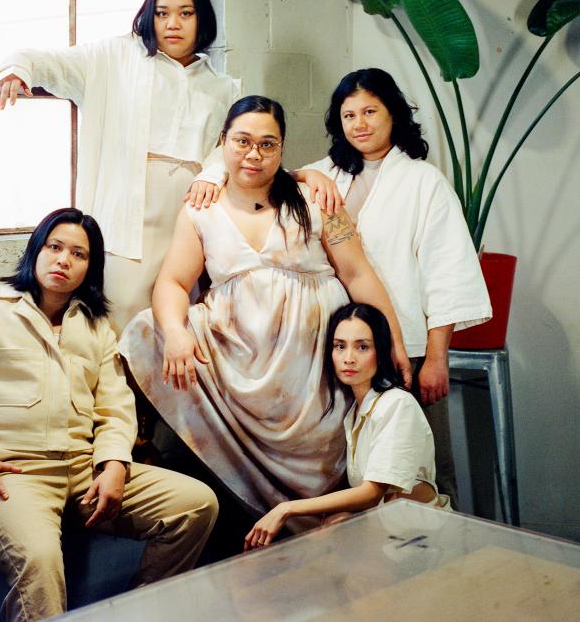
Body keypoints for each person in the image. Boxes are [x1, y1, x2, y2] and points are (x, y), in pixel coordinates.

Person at [118, 96, 410, 518]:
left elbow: (358, 274)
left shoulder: (315, 198)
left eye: (267, 144)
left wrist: (394, 341)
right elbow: (173, 282)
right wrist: (177, 333)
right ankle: (146, 453)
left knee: (332, 487)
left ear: (281, 148)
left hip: (312, 367)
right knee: (146, 330)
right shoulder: (201, 209)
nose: (253, 154)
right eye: (242, 141)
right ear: (223, 142)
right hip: (236, 357)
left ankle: (316, 520)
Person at [0, 208, 218, 622]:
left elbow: (115, 407)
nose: (63, 260)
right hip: (11, 475)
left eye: (79, 254)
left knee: (197, 506)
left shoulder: (96, 327)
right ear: (36, 250)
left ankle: (139, 610)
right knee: (41, 562)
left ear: (90, 268)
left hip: (84, 470)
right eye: (54, 247)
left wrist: (115, 464)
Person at [0, 0, 240, 337]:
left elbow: (230, 146)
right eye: (162, 13)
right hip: (128, 215)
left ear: (202, 18)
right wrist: (18, 69)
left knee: (180, 315)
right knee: (121, 312)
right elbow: (50, 61)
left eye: (185, 13)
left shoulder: (222, 86)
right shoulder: (117, 56)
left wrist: (211, 174)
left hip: (189, 215)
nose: (172, 24)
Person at [296, 69, 492, 506]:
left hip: (408, 346)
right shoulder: (326, 174)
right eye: (349, 115)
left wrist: (436, 358)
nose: (359, 124)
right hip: (341, 346)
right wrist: (308, 176)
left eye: (370, 111)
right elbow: (274, 176)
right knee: (356, 467)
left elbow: (446, 273)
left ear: (393, 114)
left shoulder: (424, 182)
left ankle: (441, 541)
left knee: (419, 467)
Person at [244, 302, 450, 550]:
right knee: (326, 532)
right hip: (388, 536)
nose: (348, 358)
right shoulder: (354, 412)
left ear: (381, 351)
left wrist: (287, 509)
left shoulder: (397, 403)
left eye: (362, 347)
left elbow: (371, 493)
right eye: (340, 346)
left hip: (421, 538)